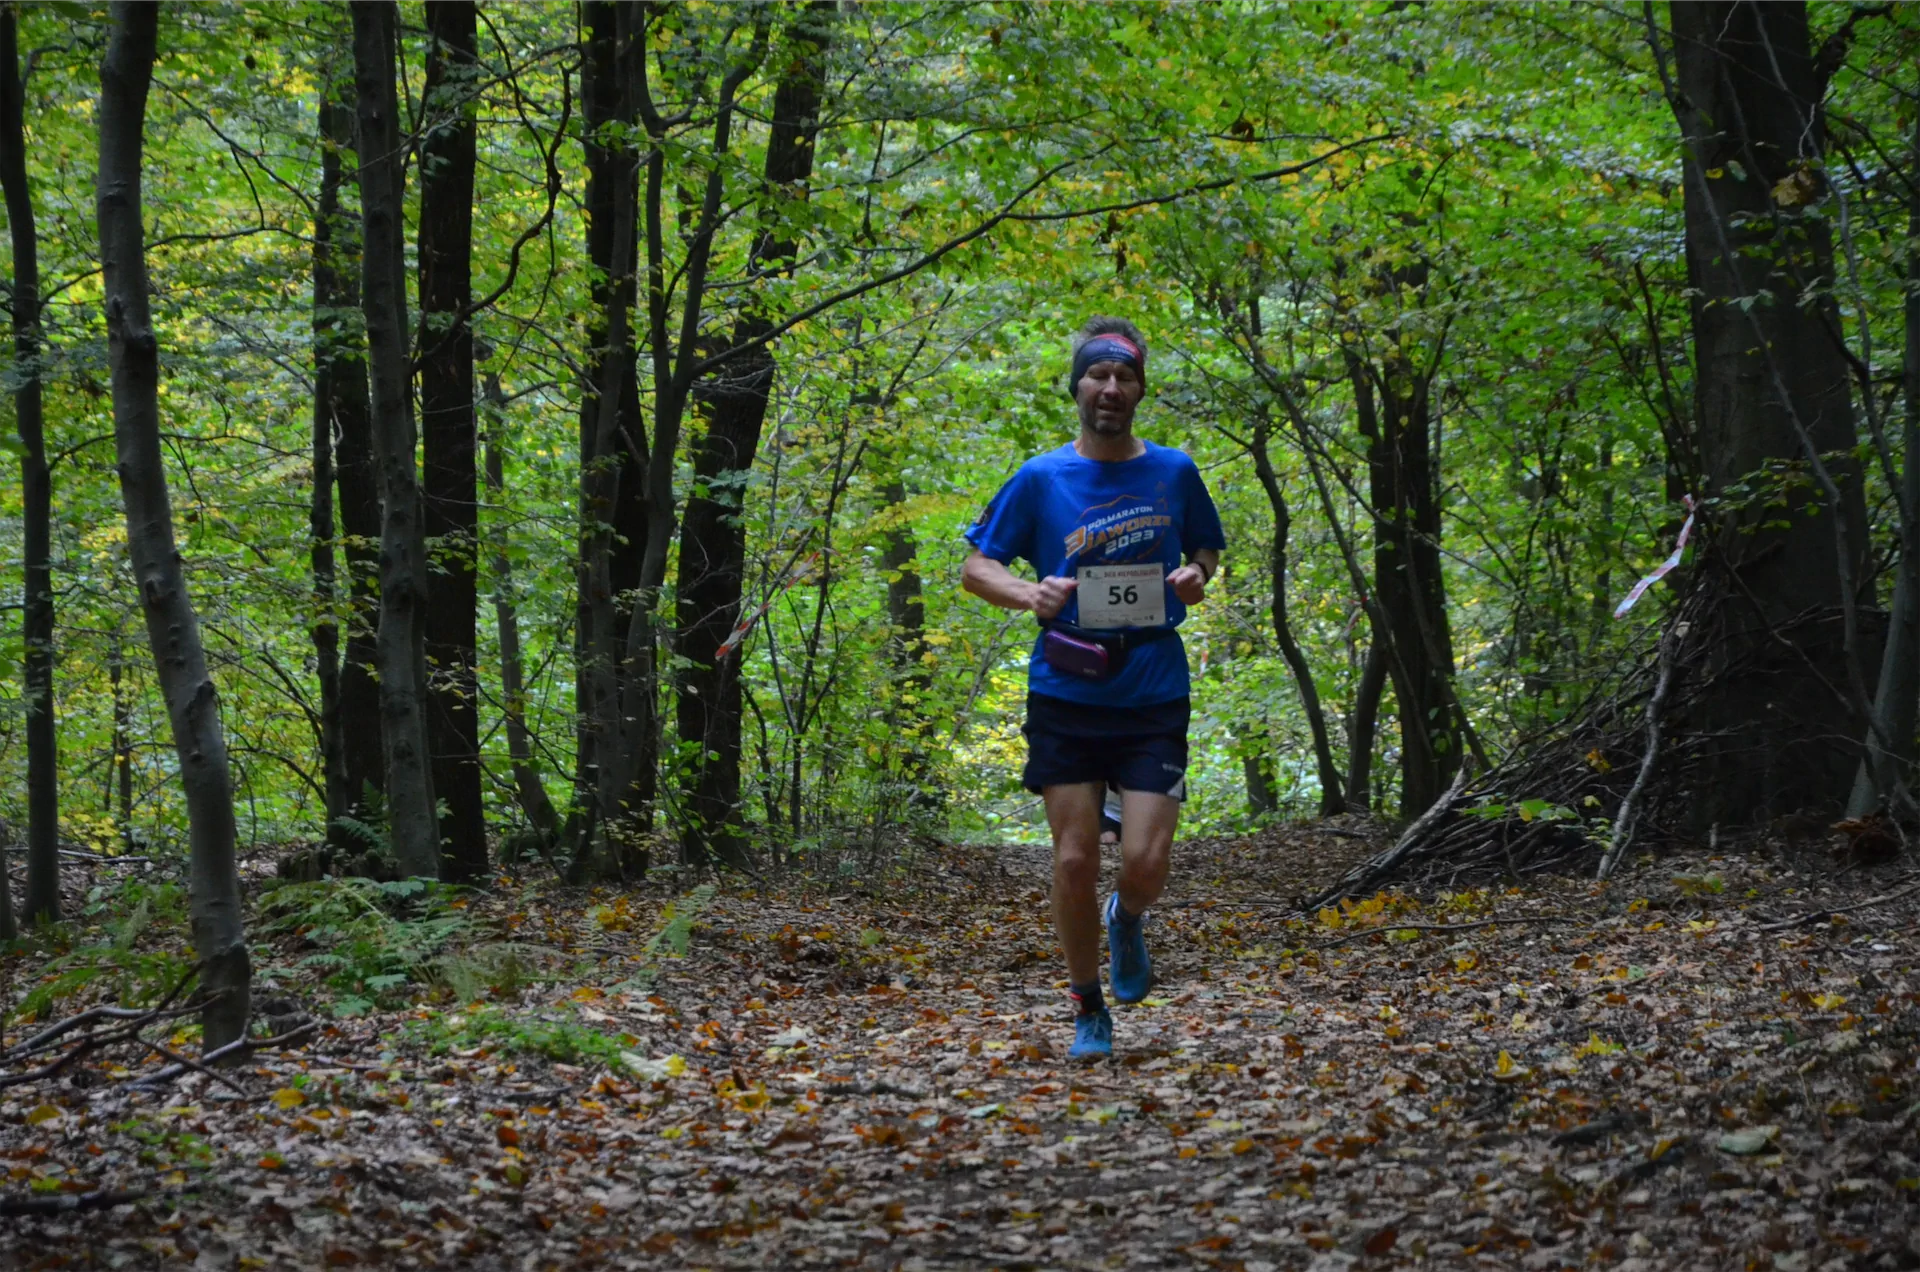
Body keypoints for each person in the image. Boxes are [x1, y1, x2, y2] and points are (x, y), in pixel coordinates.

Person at [961, 316, 1225, 1059]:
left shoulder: (1175, 472)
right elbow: (977, 566)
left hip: (1152, 686)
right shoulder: (1040, 477)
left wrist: (1197, 574)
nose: (1111, 388)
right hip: (1068, 686)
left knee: (1145, 862)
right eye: (1098, 375)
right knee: (1074, 857)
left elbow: (1207, 545)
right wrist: (1029, 593)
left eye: (1124, 377)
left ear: (1140, 390)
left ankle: (1127, 917)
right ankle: (1087, 1005)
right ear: (1077, 386)